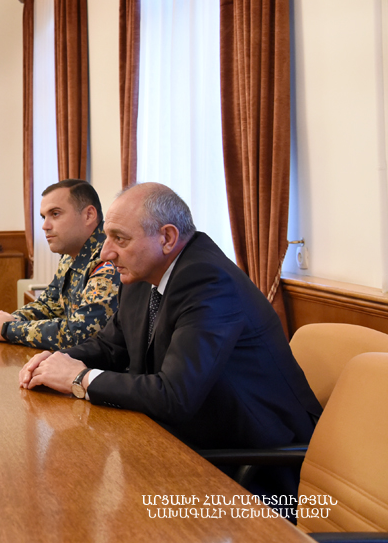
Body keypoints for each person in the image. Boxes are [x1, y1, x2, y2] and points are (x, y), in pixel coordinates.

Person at [19, 182, 321, 455]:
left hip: (254, 455)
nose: (105, 253)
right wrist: (54, 361)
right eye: (107, 237)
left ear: (167, 237)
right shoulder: (141, 274)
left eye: (119, 239)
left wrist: (78, 378)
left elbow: (174, 395)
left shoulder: (209, 283)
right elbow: (111, 346)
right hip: (183, 435)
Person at [0, 179, 120, 350]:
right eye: (43, 217)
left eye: (55, 214)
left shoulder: (109, 258)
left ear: (89, 215)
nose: (45, 226)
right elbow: (49, 305)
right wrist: (12, 320)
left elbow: (81, 333)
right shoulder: (71, 254)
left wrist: (8, 329)